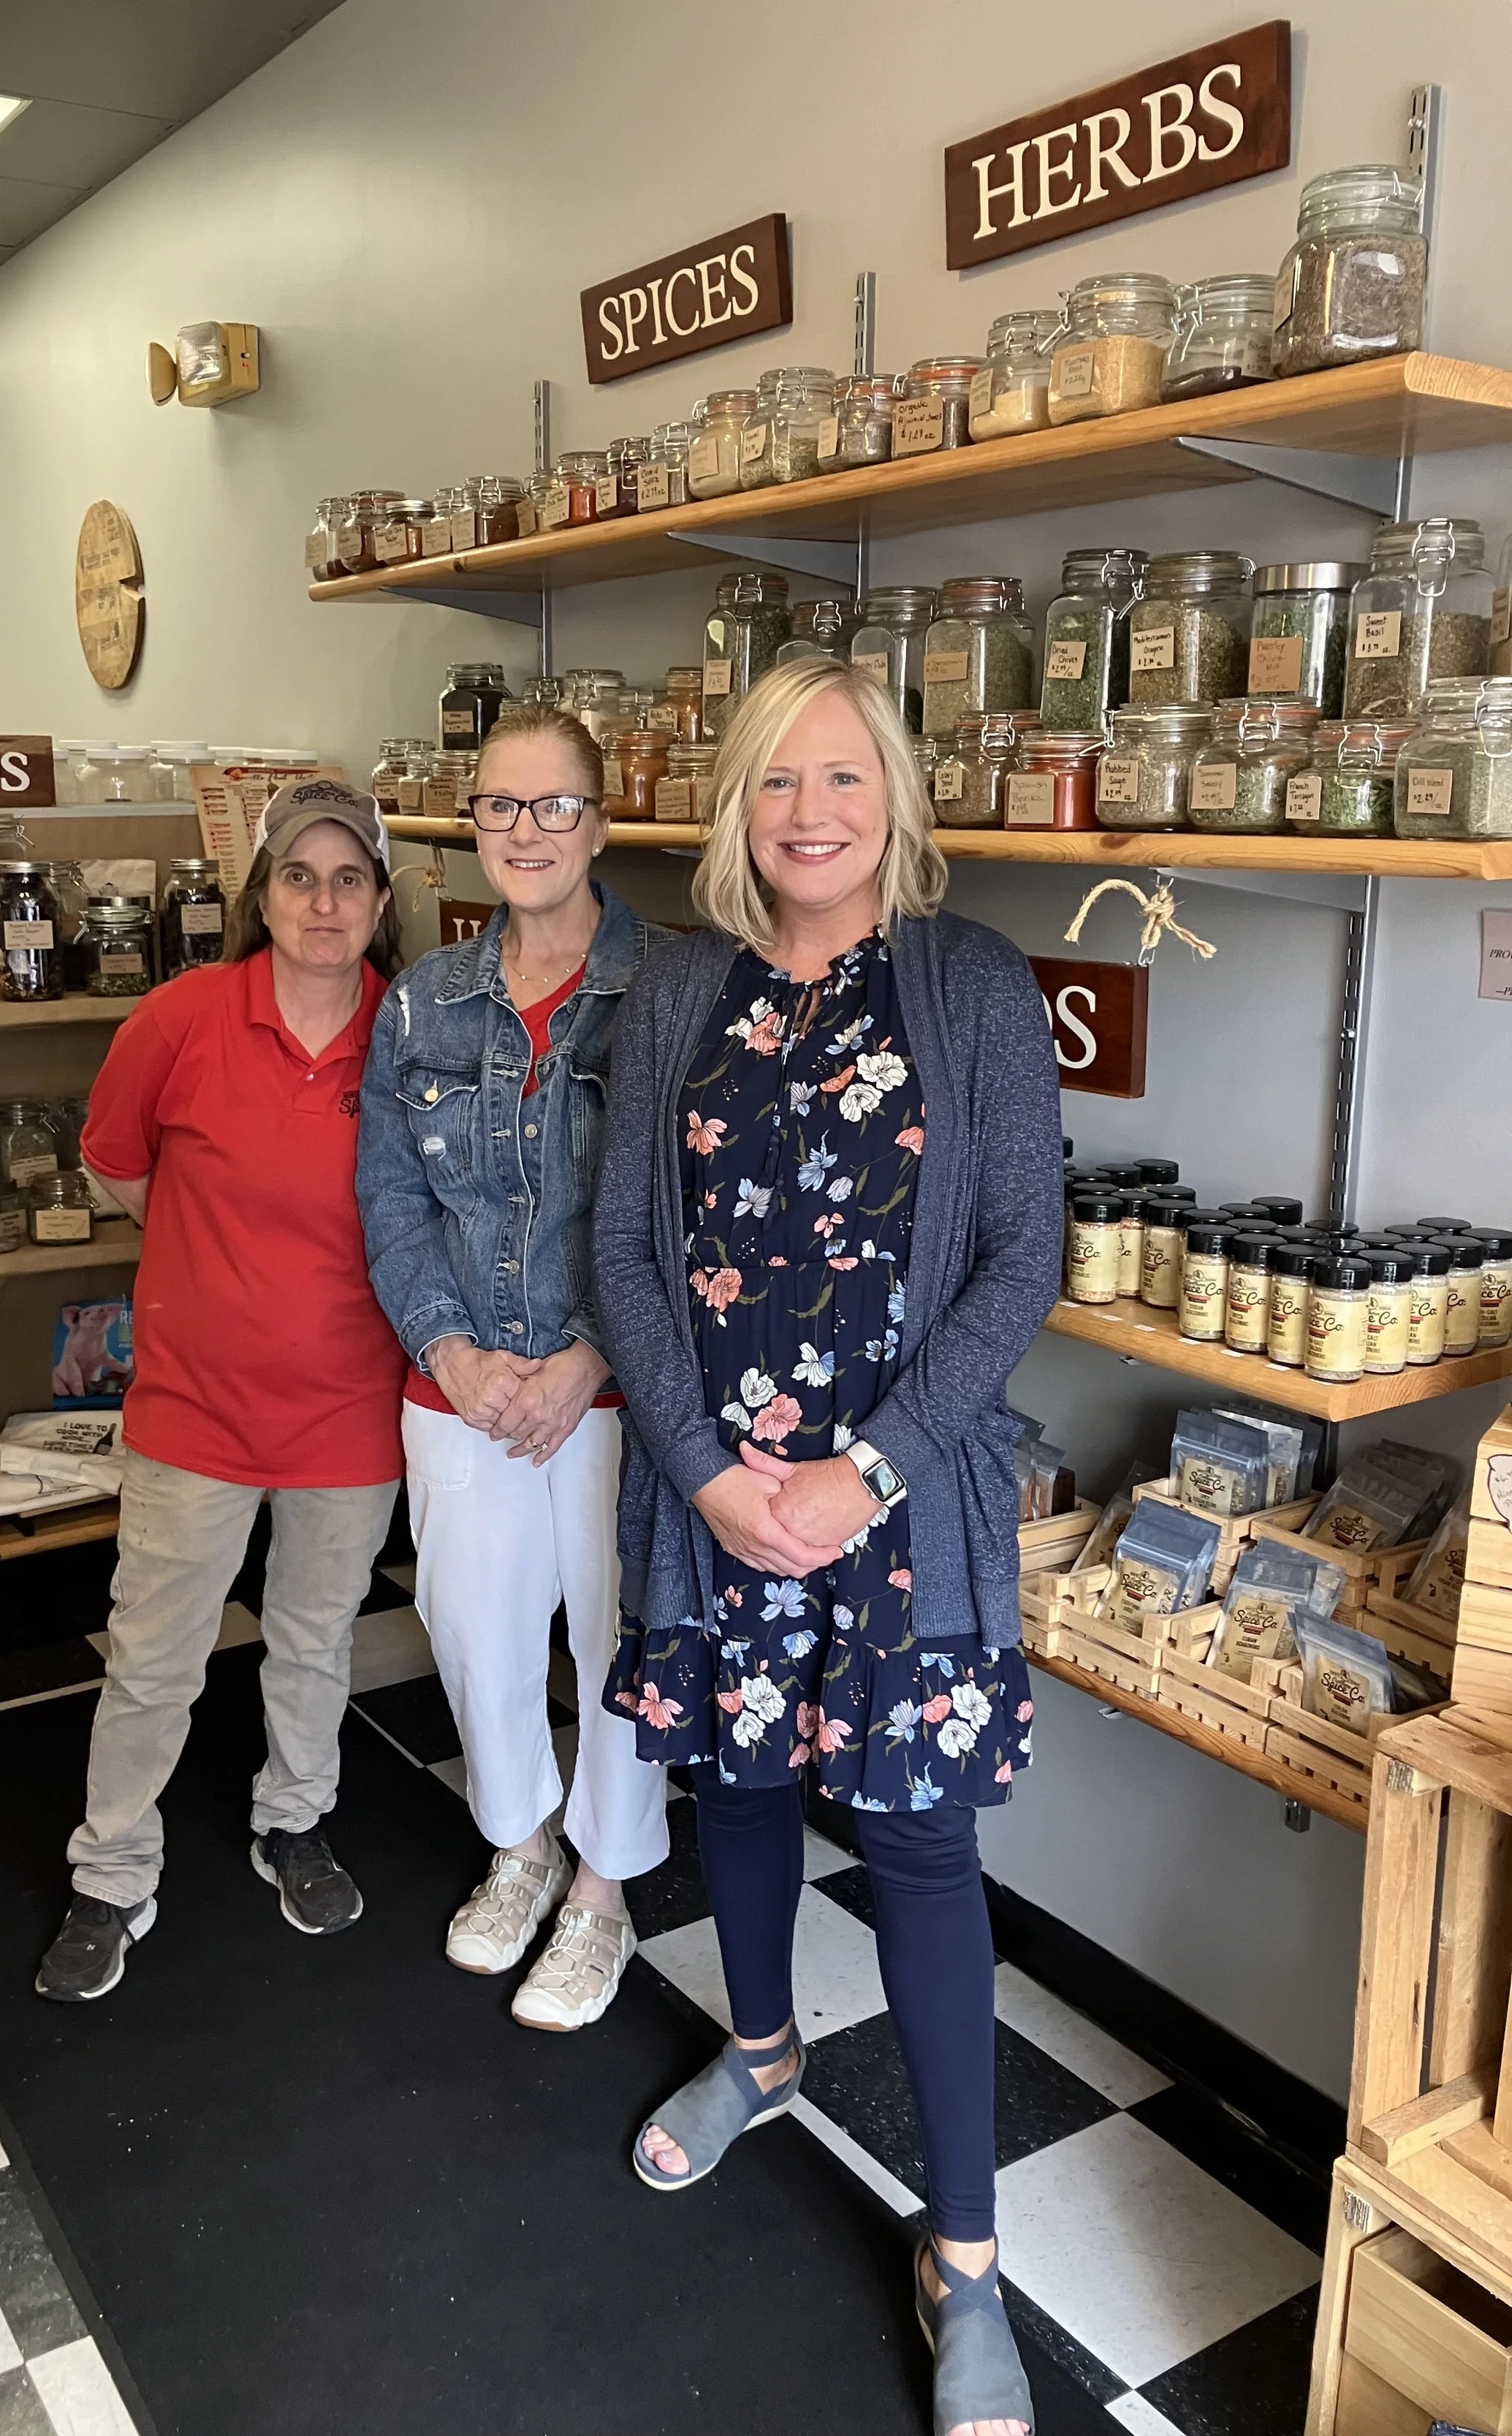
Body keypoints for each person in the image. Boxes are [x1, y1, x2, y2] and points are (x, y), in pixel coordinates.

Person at [596, 659, 1060, 2436]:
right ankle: (765, 2049)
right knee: (733, 1789)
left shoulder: (969, 983)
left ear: (896, 793)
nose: (808, 811)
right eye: (776, 779)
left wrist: (858, 1472)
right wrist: (711, 1476)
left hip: (895, 1509)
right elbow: (624, 1256)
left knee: (922, 1850)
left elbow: (1021, 1254)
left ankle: (964, 2252)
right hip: (716, 1501)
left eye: (842, 776)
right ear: (735, 801)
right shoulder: (681, 988)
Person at [37, 780, 409, 2002]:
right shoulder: (182, 1019)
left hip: (351, 1410)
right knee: (154, 1654)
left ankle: (292, 1821)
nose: (323, 900)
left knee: (312, 1641)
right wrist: (216, 1278)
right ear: (260, 896)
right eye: (298, 877)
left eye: (349, 878)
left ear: (381, 900)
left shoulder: (411, 1034)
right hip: (194, 1410)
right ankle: (112, 1871)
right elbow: (119, 1169)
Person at [357, 705, 668, 2033]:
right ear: (469, 825)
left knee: (620, 1644)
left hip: (617, 1394)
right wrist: (453, 1350)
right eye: (501, 807)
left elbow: (689, 1207)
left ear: (598, 825)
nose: (527, 831)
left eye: (554, 807)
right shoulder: (426, 1003)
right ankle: (521, 1847)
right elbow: (389, 1199)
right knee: (478, 1638)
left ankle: (602, 1891)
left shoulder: (674, 988)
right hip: (460, 1388)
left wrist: (588, 1351)